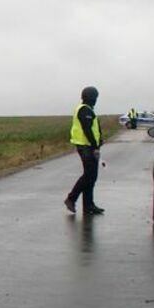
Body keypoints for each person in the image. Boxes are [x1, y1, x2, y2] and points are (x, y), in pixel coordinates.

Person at [64, 86, 104, 215]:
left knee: (91, 176)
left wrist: (99, 140)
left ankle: (88, 206)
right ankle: (71, 199)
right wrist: (95, 146)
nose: (96, 100)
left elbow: (93, 128)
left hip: (87, 146)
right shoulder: (84, 110)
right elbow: (87, 130)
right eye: (95, 97)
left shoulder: (87, 109)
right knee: (89, 175)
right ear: (90, 97)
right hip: (86, 146)